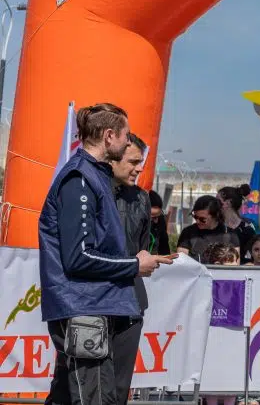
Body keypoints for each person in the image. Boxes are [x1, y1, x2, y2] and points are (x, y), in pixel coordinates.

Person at [38, 103, 174, 405]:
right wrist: (134, 264)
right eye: (126, 136)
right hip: (83, 308)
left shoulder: (94, 176)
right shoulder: (80, 178)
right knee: (96, 398)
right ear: (110, 136)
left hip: (95, 306)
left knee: (71, 397)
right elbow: (78, 256)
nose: (128, 142)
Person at [109, 133, 158, 405]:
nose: (139, 168)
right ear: (112, 158)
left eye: (141, 162)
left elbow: (141, 247)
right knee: (80, 384)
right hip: (93, 301)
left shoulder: (142, 198)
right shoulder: (90, 193)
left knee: (119, 388)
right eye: (133, 162)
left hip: (131, 302)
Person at [176, 195, 241, 262]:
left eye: (202, 219)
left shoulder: (230, 235)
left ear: (215, 216)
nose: (197, 221)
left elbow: (234, 264)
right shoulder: (188, 233)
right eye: (195, 217)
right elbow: (181, 262)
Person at [218, 183, 259, 263]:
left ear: (228, 203)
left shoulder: (247, 228)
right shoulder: (215, 225)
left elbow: (254, 254)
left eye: (217, 201)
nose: (214, 204)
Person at [148, 190, 172, 255]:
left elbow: (164, 248)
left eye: (158, 215)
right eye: (153, 217)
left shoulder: (160, 221)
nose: (156, 221)